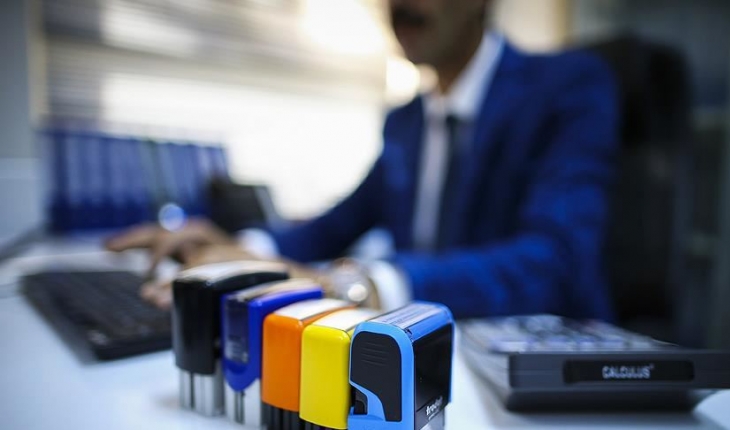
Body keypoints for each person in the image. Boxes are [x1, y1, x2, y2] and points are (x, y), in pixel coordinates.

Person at [106, 0, 618, 320]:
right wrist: (240, 248)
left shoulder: (568, 86)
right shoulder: (406, 121)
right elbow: (336, 226)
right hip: (419, 350)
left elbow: (556, 259)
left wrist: (357, 284)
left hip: (539, 373)